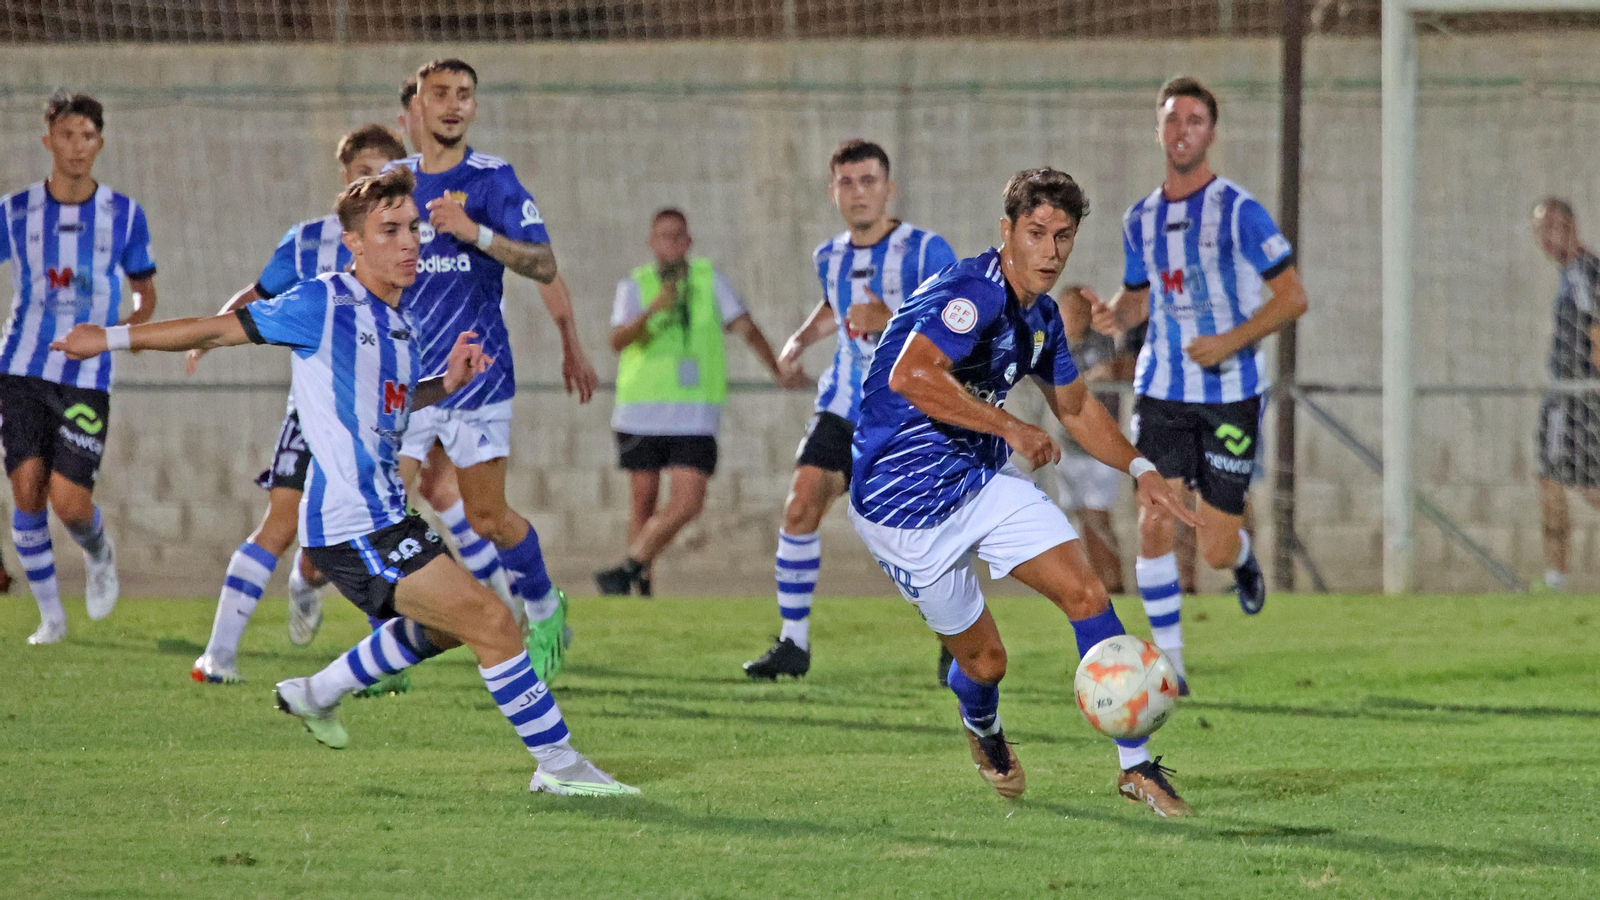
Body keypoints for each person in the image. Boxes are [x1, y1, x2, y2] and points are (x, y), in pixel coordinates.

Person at [52, 168, 637, 796]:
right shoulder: (323, 301)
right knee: (494, 621)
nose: (410, 241)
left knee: (451, 627)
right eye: (390, 230)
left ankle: (317, 692)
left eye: (413, 227)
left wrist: (448, 385)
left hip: (389, 517)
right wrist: (108, 339)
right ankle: (561, 766)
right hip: (352, 526)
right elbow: (217, 328)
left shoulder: (401, 324)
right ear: (355, 242)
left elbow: (392, 403)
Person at [851, 167, 1198, 815]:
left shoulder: (1039, 317)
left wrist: (1143, 469)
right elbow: (911, 375)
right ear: (1006, 231)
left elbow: (1076, 407)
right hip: (901, 504)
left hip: (980, 482)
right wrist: (1010, 425)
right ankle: (983, 729)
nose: (1051, 251)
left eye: (1063, 236)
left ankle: (1138, 768)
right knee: (985, 665)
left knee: (1085, 589)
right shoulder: (971, 293)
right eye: (1036, 233)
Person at [1091, 76, 1309, 693]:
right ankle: (1171, 665)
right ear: (1158, 130)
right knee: (1155, 518)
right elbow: (1138, 300)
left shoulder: (1239, 210)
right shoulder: (1141, 218)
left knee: (1213, 545)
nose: (1181, 130)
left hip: (1230, 394)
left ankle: (1239, 562)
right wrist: (1114, 316)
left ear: (1211, 133)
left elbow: (1293, 298)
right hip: (1161, 389)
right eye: (1171, 119)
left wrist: (1229, 341)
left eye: (1193, 120)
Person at [389, 59, 601, 680]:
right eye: (440, 94)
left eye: (465, 95)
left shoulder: (493, 180)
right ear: (417, 108)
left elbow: (542, 263)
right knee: (382, 509)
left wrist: (475, 234)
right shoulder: (393, 184)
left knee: (487, 518)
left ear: (474, 107)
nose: (453, 105)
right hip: (409, 385)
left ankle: (541, 606)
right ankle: (392, 644)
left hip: (478, 378)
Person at [187, 124, 407, 685]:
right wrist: (205, 337)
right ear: (344, 177)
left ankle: (322, 597)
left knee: (369, 530)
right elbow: (256, 298)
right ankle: (218, 655)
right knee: (280, 524)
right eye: (364, 173)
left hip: (381, 412)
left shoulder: (407, 240)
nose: (373, 183)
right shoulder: (307, 241)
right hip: (311, 410)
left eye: (384, 174)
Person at [741, 139, 957, 680]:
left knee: (920, 537)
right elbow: (836, 307)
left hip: (908, 412)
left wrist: (892, 316)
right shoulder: (828, 256)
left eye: (868, 181)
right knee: (799, 507)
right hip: (843, 404)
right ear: (832, 190)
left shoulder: (926, 250)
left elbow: (961, 322)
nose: (858, 193)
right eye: (847, 182)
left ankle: (957, 638)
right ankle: (793, 643)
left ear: (889, 189)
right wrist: (799, 339)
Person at [1, 92, 157, 645]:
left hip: (87, 376)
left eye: (87, 136)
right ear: (48, 141)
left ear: (100, 144)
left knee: (69, 501)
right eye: (66, 135)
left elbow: (144, 290)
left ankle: (98, 551)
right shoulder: (14, 212)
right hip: (20, 369)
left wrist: (130, 330)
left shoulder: (124, 213)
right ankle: (51, 618)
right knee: (27, 492)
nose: (76, 147)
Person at [595, 209, 800, 595]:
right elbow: (617, 340)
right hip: (642, 409)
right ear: (651, 243)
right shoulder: (635, 286)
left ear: (688, 242)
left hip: (694, 412)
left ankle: (628, 567)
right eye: (663, 237)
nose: (670, 244)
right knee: (643, 502)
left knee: (689, 501)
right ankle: (641, 590)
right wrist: (652, 310)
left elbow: (746, 327)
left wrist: (777, 368)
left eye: (677, 237)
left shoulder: (709, 281)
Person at [1529, 198, 1600, 591]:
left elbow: (1597, 333)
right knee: (1560, 481)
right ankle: (1554, 579)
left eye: (1545, 230)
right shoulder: (1570, 273)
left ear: (1564, 227)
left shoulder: (1585, 273)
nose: (1541, 240)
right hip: (1567, 396)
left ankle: (1556, 580)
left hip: (1578, 398)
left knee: (1563, 481)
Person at [1052, 285, 1131, 594]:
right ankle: (1086, 586)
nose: (1070, 318)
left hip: (1099, 448)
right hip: (1065, 447)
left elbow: (1120, 368)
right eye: (1065, 311)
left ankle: (1114, 583)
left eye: (1076, 311)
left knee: (1097, 517)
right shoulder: (1053, 346)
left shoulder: (1103, 343)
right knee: (1072, 523)